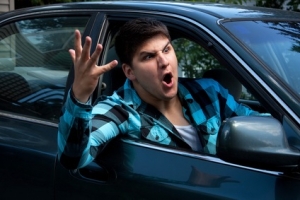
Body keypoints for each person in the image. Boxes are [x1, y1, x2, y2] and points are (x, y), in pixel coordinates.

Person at [57, 18, 266, 169]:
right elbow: (72, 159)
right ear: (130, 72)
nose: (164, 61)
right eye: (149, 57)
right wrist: (80, 96)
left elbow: (261, 126)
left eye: (166, 50)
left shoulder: (209, 91)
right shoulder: (121, 110)